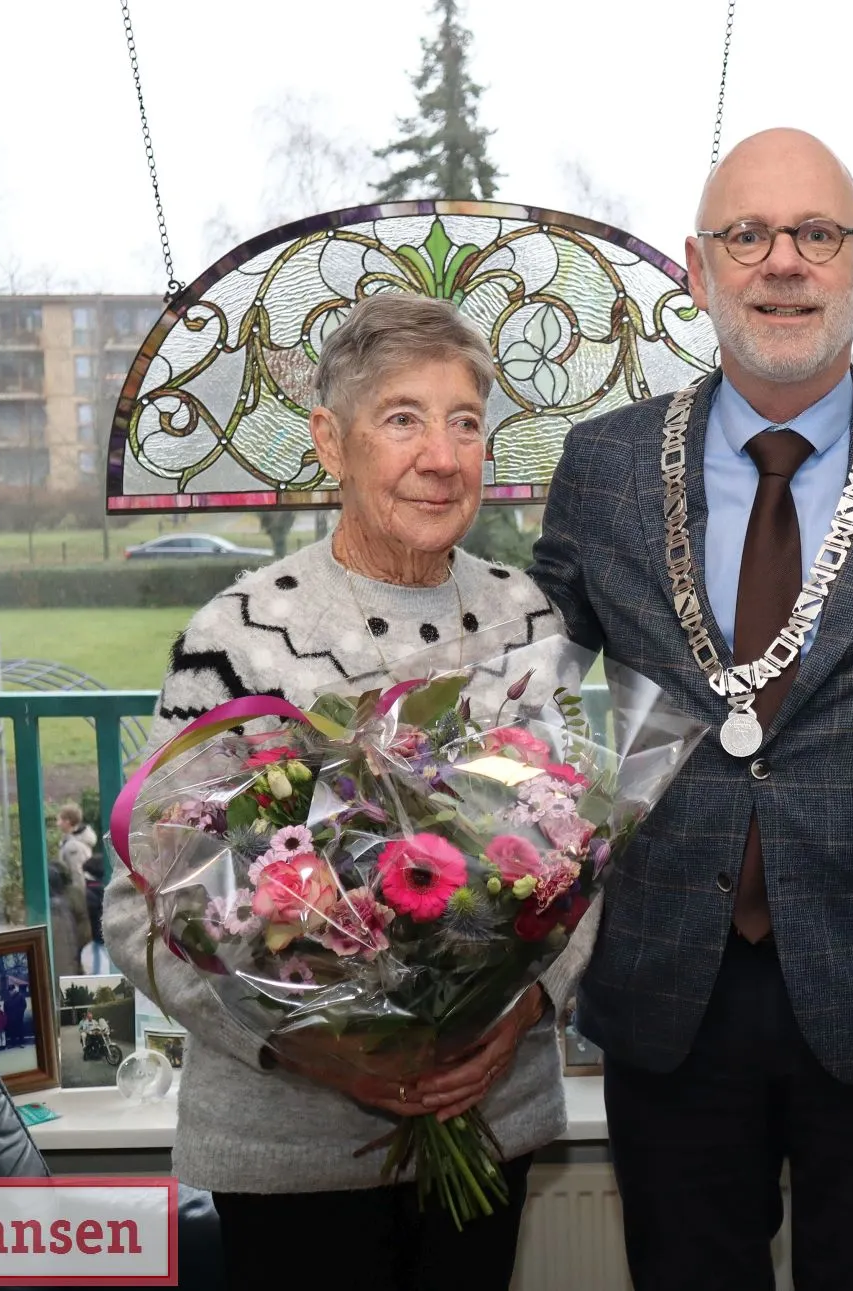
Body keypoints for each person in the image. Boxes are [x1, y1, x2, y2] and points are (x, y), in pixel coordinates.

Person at [528, 127, 853, 1291]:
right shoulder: (602, 467)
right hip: (668, 995)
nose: (782, 262)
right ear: (694, 266)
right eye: (747, 235)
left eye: (816, 235)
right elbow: (515, 708)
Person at [103, 293, 576, 1291]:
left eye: (465, 422)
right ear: (330, 441)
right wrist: (309, 1050)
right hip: (290, 1152)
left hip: (483, 1123)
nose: (441, 456)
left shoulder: (525, 617)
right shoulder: (236, 635)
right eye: (401, 418)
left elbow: (578, 857)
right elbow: (143, 904)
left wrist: (525, 1004)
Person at [49, 804, 96, 976]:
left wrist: (78, 902)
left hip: (77, 901)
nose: (57, 823)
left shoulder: (72, 847)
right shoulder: (73, 843)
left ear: (68, 822)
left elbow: (78, 876)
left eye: (60, 819)